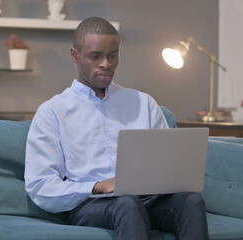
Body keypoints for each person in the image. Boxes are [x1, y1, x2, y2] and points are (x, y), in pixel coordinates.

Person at [25, 17, 209, 240]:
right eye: (96, 56)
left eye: (113, 55)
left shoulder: (144, 103)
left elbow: (168, 166)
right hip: (89, 205)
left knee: (191, 200)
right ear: (75, 55)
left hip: (147, 200)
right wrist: (97, 186)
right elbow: (40, 186)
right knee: (127, 204)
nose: (106, 63)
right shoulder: (52, 112)